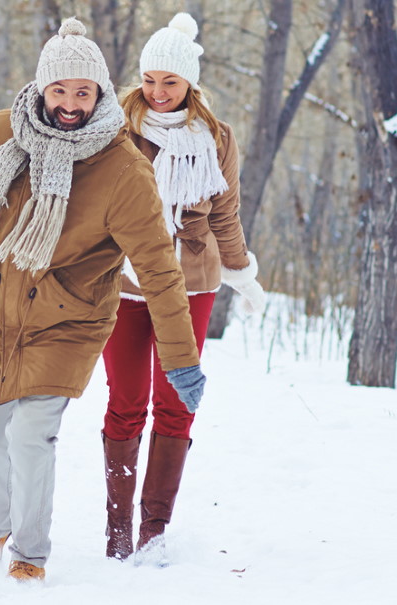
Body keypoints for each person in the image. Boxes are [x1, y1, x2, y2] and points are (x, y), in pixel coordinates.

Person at [0, 17, 206, 583]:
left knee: (30, 437)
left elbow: (159, 270)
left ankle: (28, 556)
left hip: (67, 319)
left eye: (83, 92)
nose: (70, 104)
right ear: (42, 87)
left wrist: (180, 358)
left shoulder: (123, 169)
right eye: (60, 90)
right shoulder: (5, 131)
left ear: (100, 93)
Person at [99, 12, 266, 561]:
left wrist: (242, 273)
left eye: (169, 81)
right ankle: (118, 530)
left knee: (177, 402)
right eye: (149, 79)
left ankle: (154, 530)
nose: (157, 92)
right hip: (127, 284)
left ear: (189, 82)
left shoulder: (217, 138)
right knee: (126, 400)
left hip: (193, 283)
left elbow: (225, 216)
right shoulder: (118, 129)